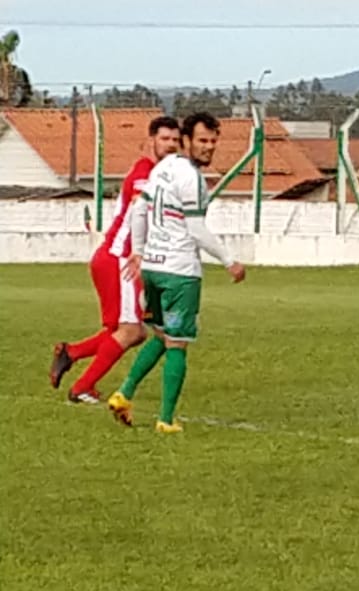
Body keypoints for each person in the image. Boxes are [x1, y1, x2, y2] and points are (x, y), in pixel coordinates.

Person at [107, 112, 246, 433]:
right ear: (186, 140)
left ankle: (124, 394)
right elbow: (196, 229)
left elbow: (139, 209)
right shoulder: (191, 179)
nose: (208, 147)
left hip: (154, 268)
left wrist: (140, 251)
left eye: (213, 141)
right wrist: (229, 260)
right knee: (178, 343)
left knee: (159, 333)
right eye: (202, 141)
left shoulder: (162, 168)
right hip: (180, 271)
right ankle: (166, 420)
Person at [49, 115, 181, 403]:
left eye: (175, 140)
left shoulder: (158, 174)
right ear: (150, 142)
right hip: (120, 260)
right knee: (132, 331)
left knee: (122, 331)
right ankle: (82, 386)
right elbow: (140, 210)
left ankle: (70, 353)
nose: (171, 145)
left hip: (116, 259)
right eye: (164, 139)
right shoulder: (145, 173)